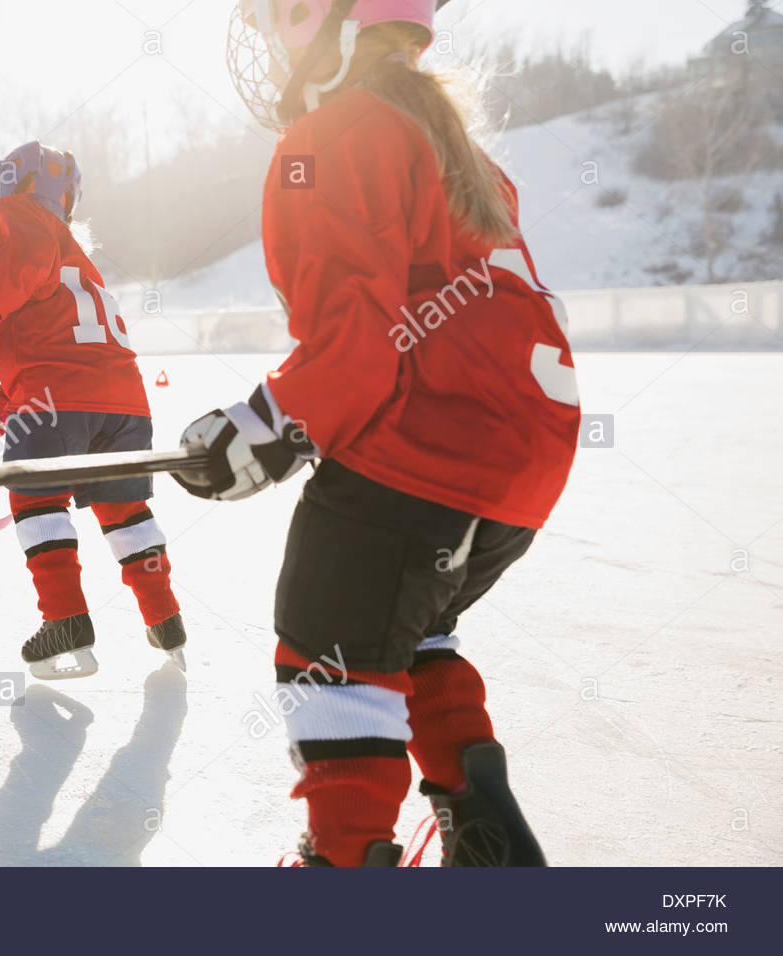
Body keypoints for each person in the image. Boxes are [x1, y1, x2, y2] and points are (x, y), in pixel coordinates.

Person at [175, 0, 581, 866]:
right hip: (521, 466)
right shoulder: (456, 144)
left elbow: (357, 343)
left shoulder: (337, 133)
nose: (267, 41)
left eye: (276, 15)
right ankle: (486, 839)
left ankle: (346, 859)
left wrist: (270, 425)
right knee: (403, 628)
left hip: (427, 445)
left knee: (327, 645)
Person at [0, 141, 185, 680]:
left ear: (11, 183)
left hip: (57, 398)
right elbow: (57, 347)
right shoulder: (75, 252)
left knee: (37, 499)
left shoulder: (17, 216)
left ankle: (67, 623)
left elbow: (22, 266)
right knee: (125, 511)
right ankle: (165, 616)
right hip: (124, 403)